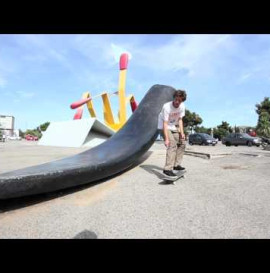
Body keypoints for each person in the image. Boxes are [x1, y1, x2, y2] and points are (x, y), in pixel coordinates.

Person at [158, 89, 187, 177]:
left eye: (180, 101)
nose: (177, 102)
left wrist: (182, 133)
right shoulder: (166, 107)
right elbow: (165, 123)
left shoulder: (182, 107)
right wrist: (166, 139)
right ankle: (167, 169)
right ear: (173, 98)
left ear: (182, 101)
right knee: (172, 144)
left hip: (173, 126)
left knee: (182, 143)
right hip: (163, 126)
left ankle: (176, 165)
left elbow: (180, 120)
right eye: (176, 99)